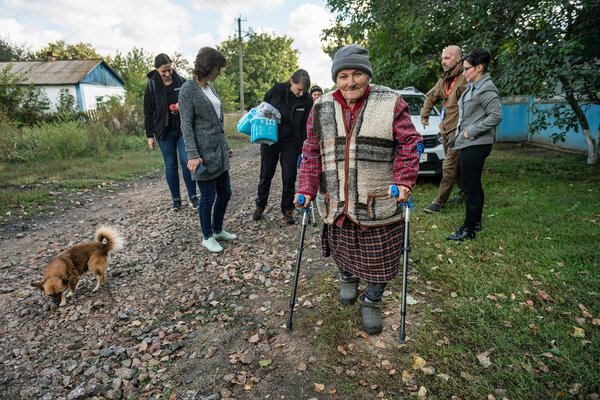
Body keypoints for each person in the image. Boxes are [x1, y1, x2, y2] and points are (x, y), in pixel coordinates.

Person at [295, 44, 422, 335]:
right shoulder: (321, 106)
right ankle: (348, 278)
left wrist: (403, 179)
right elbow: (311, 150)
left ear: (367, 75)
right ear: (335, 78)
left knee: (381, 258)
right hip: (337, 199)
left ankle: (372, 301)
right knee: (342, 250)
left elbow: (409, 144)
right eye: (343, 75)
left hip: (376, 199)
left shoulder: (391, 102)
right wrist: (306, 187)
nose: (350, 82)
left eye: (357, 74)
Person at [179, 47, 236, 253]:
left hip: (218, 150)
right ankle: (207, 236)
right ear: (208, 67)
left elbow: (216, 120)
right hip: (202, 154)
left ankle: (218, 229)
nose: (219, 72)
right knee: (208, 197)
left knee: (225, 193)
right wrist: (193, 154)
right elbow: (185, 124)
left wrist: (225, 146)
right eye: (218, 68)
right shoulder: (188, 89)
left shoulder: (210, 87)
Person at [446, 47, 502, 241]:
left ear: (479, 68)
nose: (464, 72)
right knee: (474, 184)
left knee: (470, 186)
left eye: (467, 69)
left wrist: (472, 130)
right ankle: (475, 222)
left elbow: (496, 115)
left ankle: (468, 230)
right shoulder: (473, 86)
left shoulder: (486, 88)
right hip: (468, 142)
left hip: (477, 143)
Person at [252, 69, 313, 224]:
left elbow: (307, 124)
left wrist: (304, 148)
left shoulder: (306, 99)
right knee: (266, 173)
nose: (301, 93)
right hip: (271, 138)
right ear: (291, 82)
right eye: (299, 89)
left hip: (291, 142)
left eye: (304, 91)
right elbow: (262, 109)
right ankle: (260, 205)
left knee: (289, 176)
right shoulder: (277, 90)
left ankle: (287, 209)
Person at [144, 53, 198, 211]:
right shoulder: (152, 85)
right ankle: (176, 200)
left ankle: (193, 197)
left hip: (182, 129)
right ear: (157, 70)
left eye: (169, 70)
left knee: (187, 162)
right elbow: (148, 111)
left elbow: (190, 101)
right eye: (163, 71)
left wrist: (181, 106)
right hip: (163, 131)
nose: (167, 74)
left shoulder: (181, 81)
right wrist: (149, 135)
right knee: (170, 166)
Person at [421, 45, 467, 213]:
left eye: (447, 58)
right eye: (442, 58)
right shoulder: (444, 80)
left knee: (448, 166)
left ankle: (439, 202)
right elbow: (431, 96)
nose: (443, 61)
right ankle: (465, 193)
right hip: (445, 128)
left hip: (459, 130)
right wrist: (424, 114)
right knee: (457, 166)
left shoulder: (465, 78)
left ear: (457, 59)